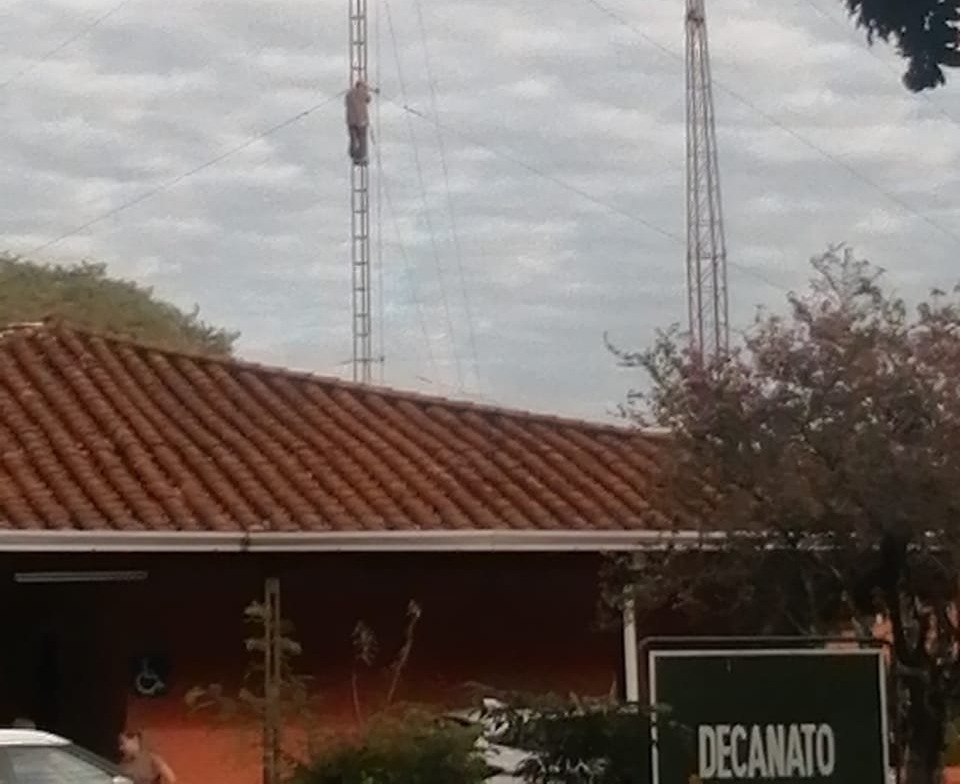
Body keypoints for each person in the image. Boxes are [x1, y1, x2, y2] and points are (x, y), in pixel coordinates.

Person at [345, 79, 372, 165]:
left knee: (353, 139)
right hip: (361, 121)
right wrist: (366, 91)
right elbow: (368, 99)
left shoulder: (349, 94)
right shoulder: (363, 92)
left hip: (351, 121)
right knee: (362, 139)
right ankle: (362, 157)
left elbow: (346, 102)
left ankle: (353, 155)